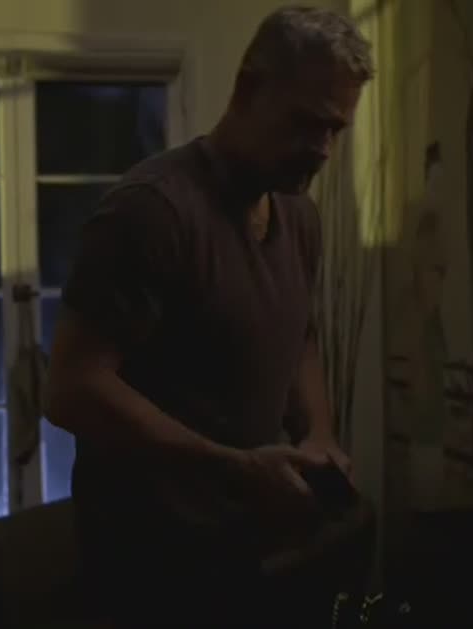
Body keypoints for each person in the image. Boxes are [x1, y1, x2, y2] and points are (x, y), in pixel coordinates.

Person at [45, 6, 374, 627]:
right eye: (306, 123)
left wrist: (319, 434)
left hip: (252, 549)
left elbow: (300, 335)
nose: (323, 150)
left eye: (335, 129)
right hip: (148, 564)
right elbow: (70, 389)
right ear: (248, 90)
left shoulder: (299, 216)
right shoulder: (152, 212)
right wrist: (235, 468)